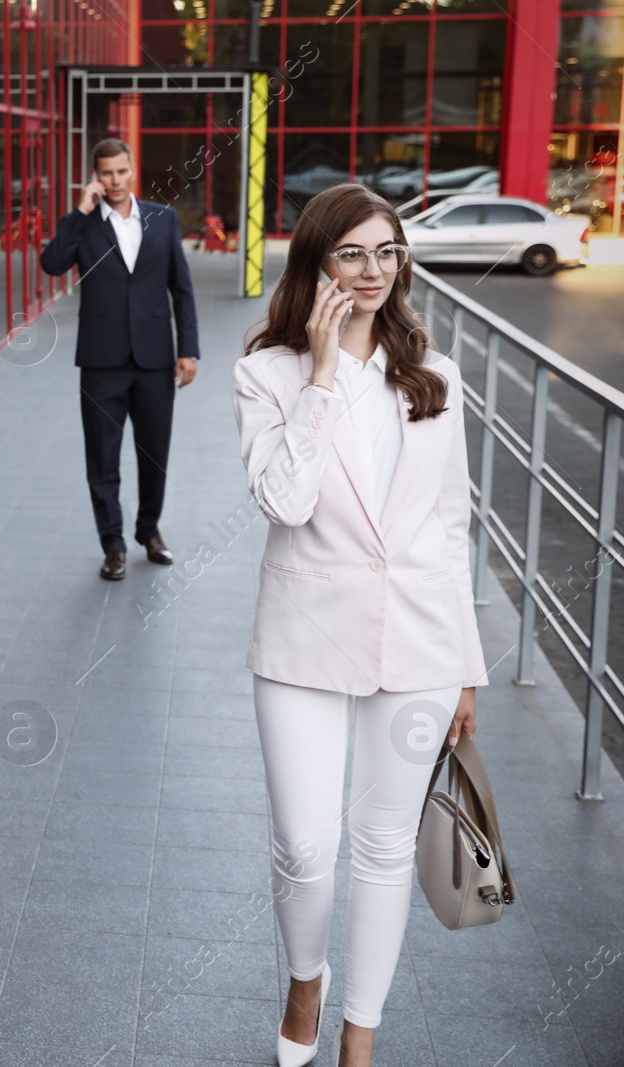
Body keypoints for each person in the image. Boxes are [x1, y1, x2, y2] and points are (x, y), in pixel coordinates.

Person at [232, 183, 488, 1067]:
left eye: (388, 252)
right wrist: (324, 377)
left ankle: (360, 1033)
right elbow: (284, 499)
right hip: (303, 635)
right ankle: (306, 976)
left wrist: (465, 664)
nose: (373, 271)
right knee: (306, 845)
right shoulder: (265, 373)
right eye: (353, 253)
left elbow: (452, 526)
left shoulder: (438, 378)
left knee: (383, 847)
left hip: (418, 637)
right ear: (316, 261)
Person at [38, 137, 200, 581]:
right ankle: (112, 546)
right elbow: (51, 264)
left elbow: (181, 290)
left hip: (154, 360)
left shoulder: (163, 219)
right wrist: (78, 212)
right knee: (102, 459)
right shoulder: (84, 224)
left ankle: (149, 531)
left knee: (154, 454)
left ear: (133, 171)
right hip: (101, 360)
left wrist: (188, 349)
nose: (114, 180)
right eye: (106, 173)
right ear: (96, 176)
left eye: (121, 171)